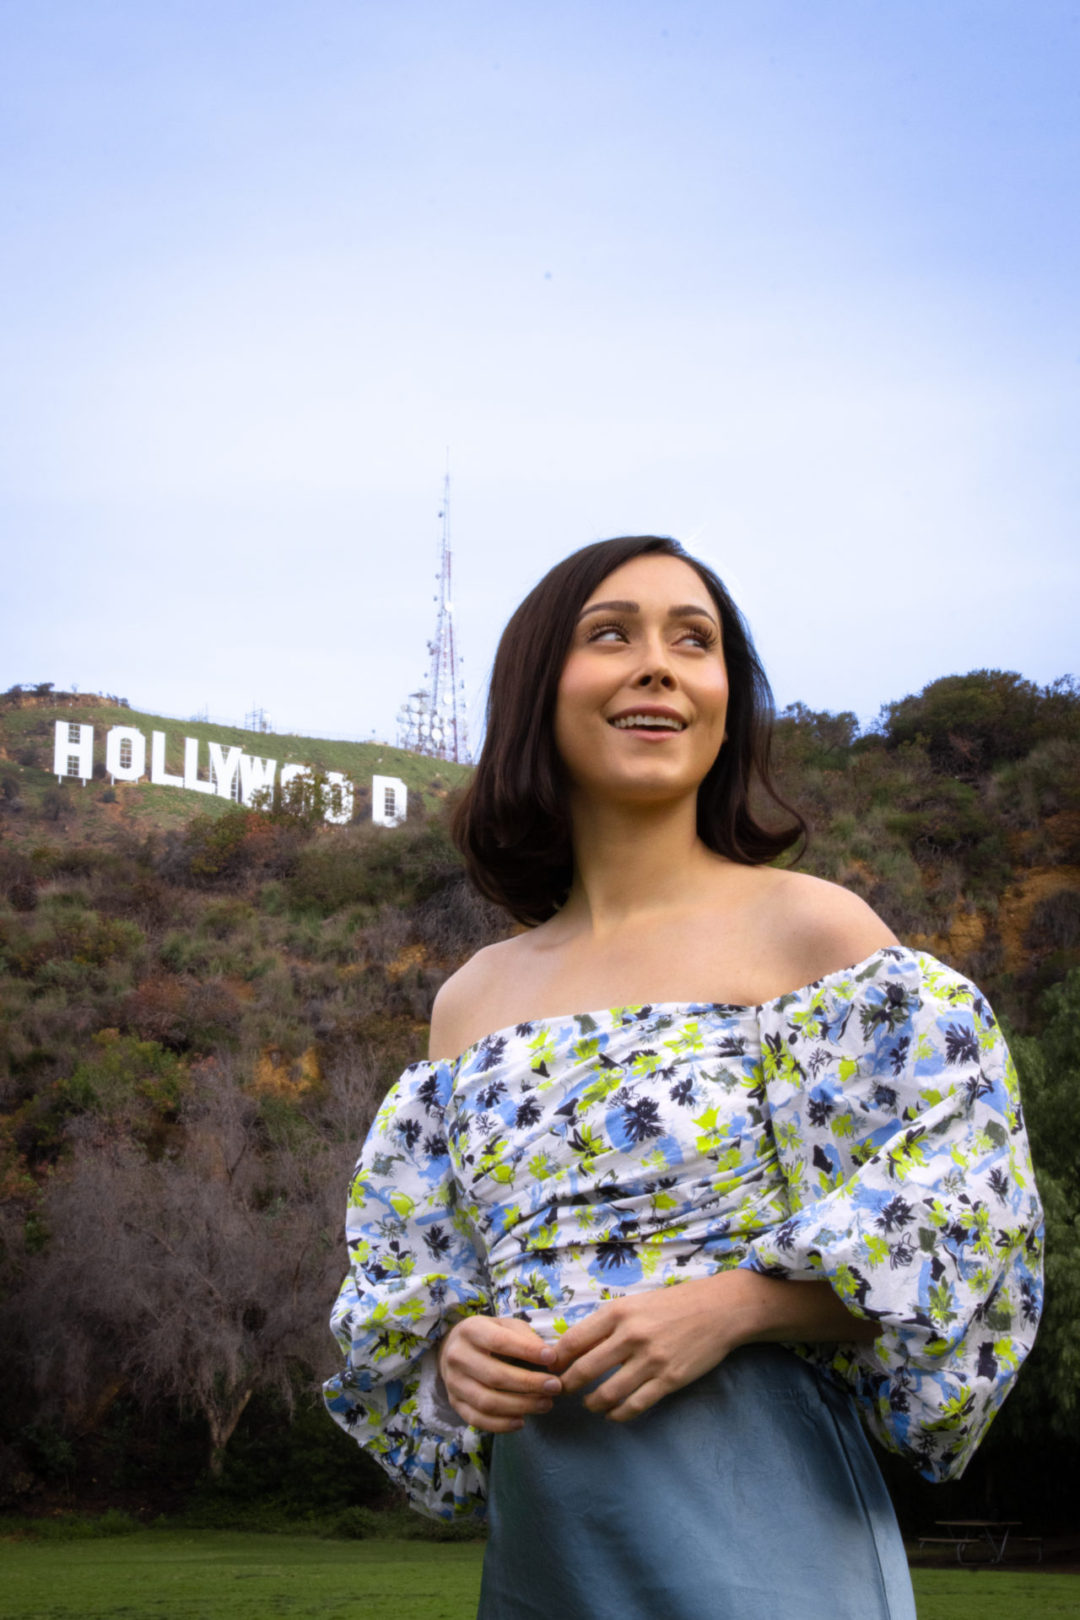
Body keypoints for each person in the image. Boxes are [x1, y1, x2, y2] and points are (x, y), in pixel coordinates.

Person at [325, 536, 1044, 1620]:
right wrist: (454, 1357)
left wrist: (736, 1307)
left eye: (694, 641)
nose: (659, 665)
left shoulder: (813, 934)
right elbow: (424, 1289)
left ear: (725, 699)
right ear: (536, 690)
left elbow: (966, 1233)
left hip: (763, 1531)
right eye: (610, 633)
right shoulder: (469, 1002)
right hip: (550, 1547)